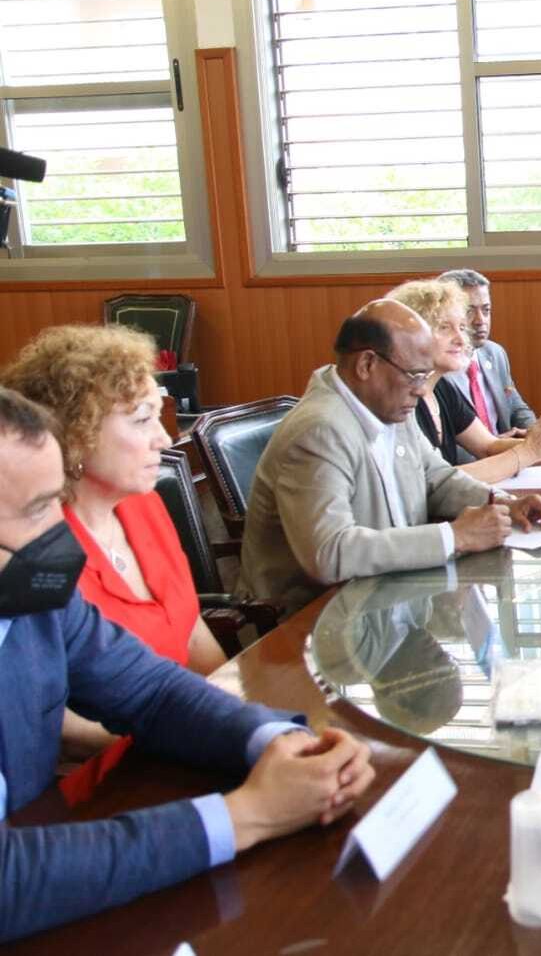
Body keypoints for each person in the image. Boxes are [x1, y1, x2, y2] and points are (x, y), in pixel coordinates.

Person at [0, 387, 376, 943]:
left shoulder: (33, 586)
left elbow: (148, 689)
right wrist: (250, 814)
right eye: (36, 510)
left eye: (58, 500)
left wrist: (273, 742)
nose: (61, 533)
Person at [1, 324, 227, 796]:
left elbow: (191, 630)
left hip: (173, 739)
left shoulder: (142, 505)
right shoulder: (32, 549)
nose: (165, 440)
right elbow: (51, 719)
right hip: (106, 777)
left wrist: (234, 714)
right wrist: (186, 740)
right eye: (143, 420)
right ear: (76, 431)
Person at [237, 299, 541, 615]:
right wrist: (456, 536)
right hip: (315, 622)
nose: (422, 390)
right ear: (367, 365)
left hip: (388, 598)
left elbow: (436, 479)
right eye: (415, 375)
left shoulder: (388, 405)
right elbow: (330, 552)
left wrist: (502, 502)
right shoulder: (321, 430)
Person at [385, 279, 541, 480]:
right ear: (411, 334)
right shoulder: (397, 400)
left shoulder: (441, 388)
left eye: (462, 328)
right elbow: (438, 481)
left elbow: (488, 446)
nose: (460, 339)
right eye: (444, 327)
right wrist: (531, 450)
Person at [438, 268, 537, 438]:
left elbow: (515, 407)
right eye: (469, 311)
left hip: (510, 454)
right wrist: (496, 445)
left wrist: (535, 432)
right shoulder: (439, 369)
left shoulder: (495, 353)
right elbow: (444, 445)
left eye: (486, 310)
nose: (480, 321)